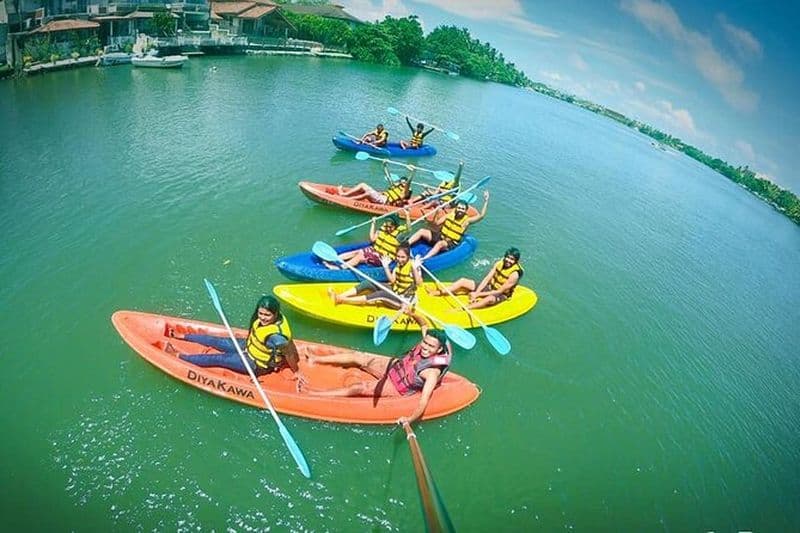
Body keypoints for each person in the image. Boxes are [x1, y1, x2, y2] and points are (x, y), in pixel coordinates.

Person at [300, 316, 452, 425]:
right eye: (425, 343)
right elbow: (423, 324)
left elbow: (423, 401)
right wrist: (411, 313)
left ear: (439, 350)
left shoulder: (431, 372)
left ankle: (315, 394)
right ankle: (316, 359)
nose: (425, 347)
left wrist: (410, 419)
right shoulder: (427, 342)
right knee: (359, 357)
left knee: (359, 387)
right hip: (395, 367)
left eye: (430, 347)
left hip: (397, 386)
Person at [165, 296, 305, 385]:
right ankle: (181, 336)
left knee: (219, 358)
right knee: (216, 341)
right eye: (260, 313)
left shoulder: (277, 337)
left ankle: (179, 356)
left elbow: (289, 353)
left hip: (256, 364)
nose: (262, 318)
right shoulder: (271, 319)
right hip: (249, 347)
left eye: (267, 315)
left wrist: (296, 371)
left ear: (275, 314)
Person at [327, 244, 423, 309]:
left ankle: (342, 300)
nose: (399, 259)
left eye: (402, 257)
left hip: (403, 300)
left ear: (408, 257)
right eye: (398, 256)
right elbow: (392, 280)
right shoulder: (399, 265)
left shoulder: (413, 266)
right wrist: (385, 267)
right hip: (395, 290)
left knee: (380, 294)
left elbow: (419, 284)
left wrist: (415, 269)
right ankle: (341, 295)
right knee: (369, 283)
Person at [427, 247, 524, 309]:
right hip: (490, 287)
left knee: (489, 299)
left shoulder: (514, 274)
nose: (508, 260)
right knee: (463, 281)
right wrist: (477, 293)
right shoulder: (500, 263)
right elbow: (486, 279)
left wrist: (477, 295)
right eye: (507, 257)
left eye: (512, 259)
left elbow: (500, 291)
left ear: (516, 261)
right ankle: (439, 292)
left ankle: (465, 308)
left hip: (500, 294)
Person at [407, 190, 490, 260]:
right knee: (422, 231)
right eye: (459, 208)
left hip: (450, 243)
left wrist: (486, 200)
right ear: (456, 208)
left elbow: (481, 216)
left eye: (462, 209)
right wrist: (436, 213)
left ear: (465, 211)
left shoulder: (467, 221)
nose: (460, 210)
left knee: (440, 244)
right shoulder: (449, 215)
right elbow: (436, 223)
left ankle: (424, 259)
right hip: (440, 236)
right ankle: (405, 246)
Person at [324, 209, 411, 269]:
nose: (388, 228)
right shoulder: (383, 229)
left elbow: (408, 229)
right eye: (387, 226)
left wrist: (407, 215)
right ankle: (334, 259)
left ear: (395, 226)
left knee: (360, 256)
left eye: (390, 227)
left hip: (384, 257)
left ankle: (340, 268)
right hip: (374, 250)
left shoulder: (399, 234)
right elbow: (372, 239)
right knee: (357, 252)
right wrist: (373, 224)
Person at [337, 161, 415, 206]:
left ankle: (347, 200)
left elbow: (408, 182)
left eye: (404, 182)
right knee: (363, 185)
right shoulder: (396, 186)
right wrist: (384, 165)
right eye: (402, 182)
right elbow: (388, 176)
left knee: (368, 193)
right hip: (381, 197)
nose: (403, 183)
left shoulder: (404, 193)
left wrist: (412, 172)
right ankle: (344, 195)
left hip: (385, 202)